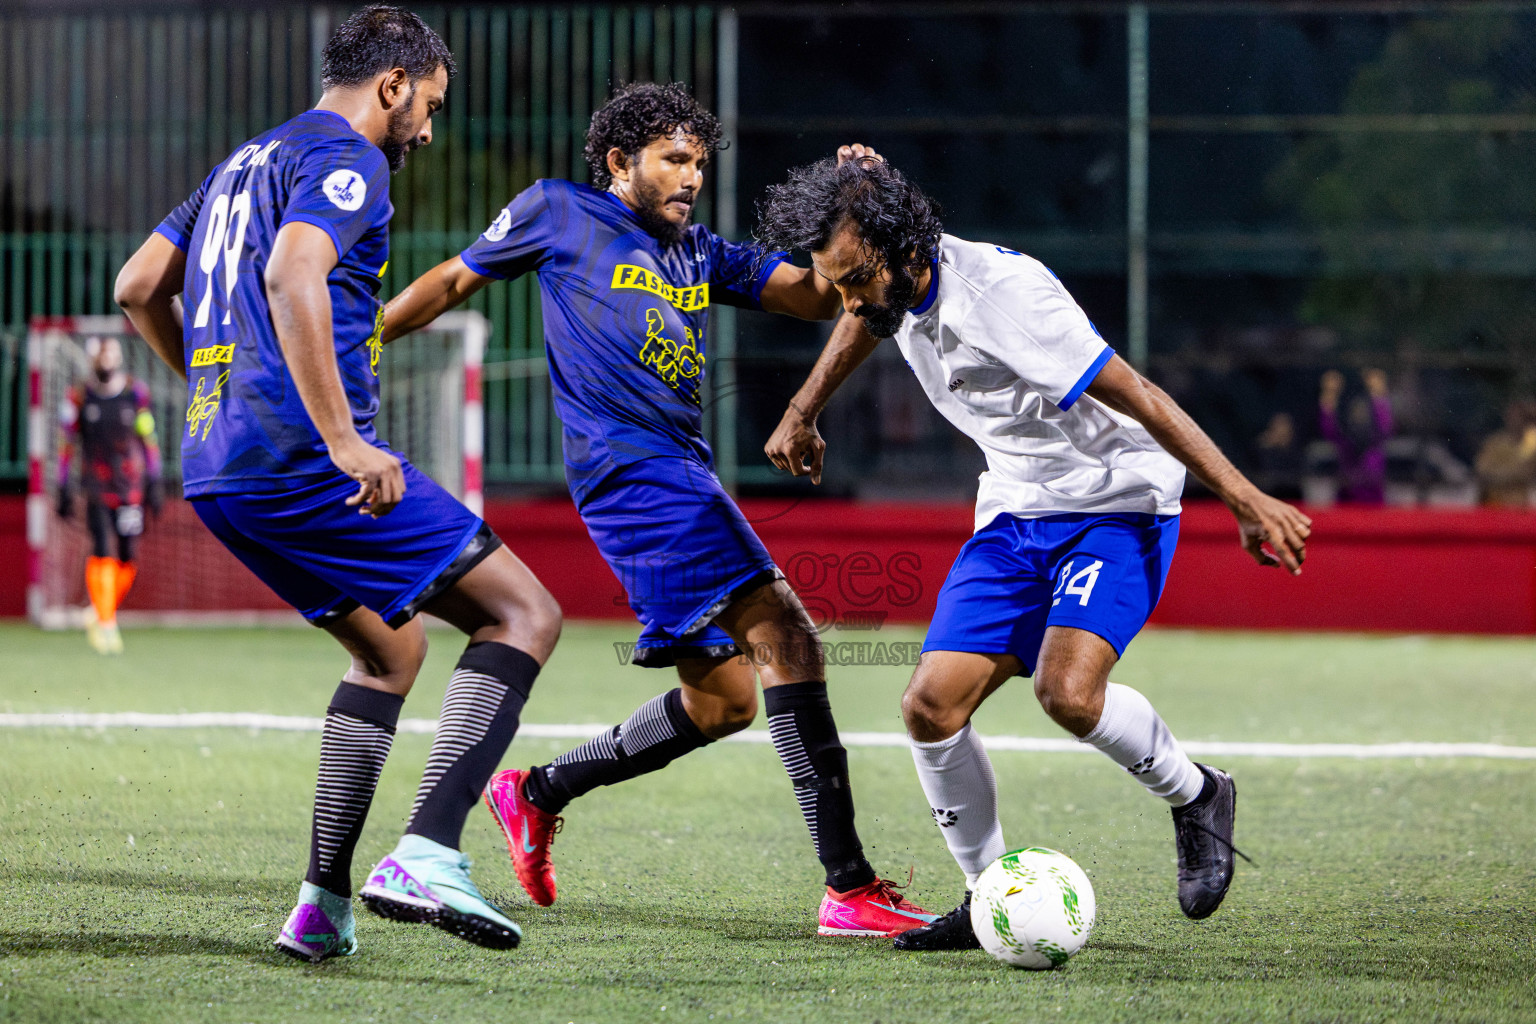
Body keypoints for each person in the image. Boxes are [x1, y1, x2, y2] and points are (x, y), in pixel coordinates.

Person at [383, 84, 932, 938]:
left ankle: (535, 792)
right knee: (790, 642)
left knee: (725, 703)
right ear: (618, 162)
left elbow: (819, 297)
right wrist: (365, 336)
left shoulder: (698, 252)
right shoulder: (558, 213)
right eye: (675, 158)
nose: (691, 177)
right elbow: (456, 278)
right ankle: (848, 887)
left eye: (700, 163)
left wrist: (856, 205)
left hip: (683, 475)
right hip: (632, 476)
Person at [756, 153, 1311, 950]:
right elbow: (866, 313)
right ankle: (988, 898)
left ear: (906, 250)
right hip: (1017, 511)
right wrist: (805, 407)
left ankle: (1197, 795)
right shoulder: (890, 279)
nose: (843, 301)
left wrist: (1245, 499)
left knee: (1069, 694)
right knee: (928, 706)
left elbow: (1145, 397)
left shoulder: (1007, 301)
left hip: (1115, 504)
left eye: (853, 279)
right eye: (834, 281)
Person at [112, 5, 562, 964]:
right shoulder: (344, 158)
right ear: (392, 85)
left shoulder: (242, 164)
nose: (430, 130)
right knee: (524, 613)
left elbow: (138, 285)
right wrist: (344, 440)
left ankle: (322, 905)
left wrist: (210, 389)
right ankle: (428, 851)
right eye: (429, 105)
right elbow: (293, 272)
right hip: (297, 459)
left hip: (217, 469)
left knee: (388, 655)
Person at [56, 336, 163, 654]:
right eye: (101, 356)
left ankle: (100, 610)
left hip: (130, 487)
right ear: (92, 360)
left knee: (128, 555)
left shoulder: (136, 393)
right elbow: (66, 444)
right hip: (95, 485)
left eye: (112, 354)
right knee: (102, 547)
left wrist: (155, 481)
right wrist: (63, 484)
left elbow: (149, 437)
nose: (107, 360)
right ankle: (106, 625)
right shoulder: (77, 396)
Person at [1318, 368, 1392, 504]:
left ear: (1370, 416)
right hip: (1348, 499)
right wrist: (1330, 394)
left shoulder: (1375, 441)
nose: (1359, 415)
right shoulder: (1345, 443)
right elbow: (1330, 429)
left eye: (1363, 412)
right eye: (1355, 413)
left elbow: (1384, 426)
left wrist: (1378, 394)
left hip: (1373, 501)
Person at [1474, 400, 1536, 507]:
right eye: (1511, 415)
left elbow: (1527, 474)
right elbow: (1483, 471)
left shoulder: (1532, 445)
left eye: (1519, 416)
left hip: (1518, 506)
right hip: (1493, 504)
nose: (1514, 419)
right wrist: (1511, 475)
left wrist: (1501, 475)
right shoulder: (1494, 443)